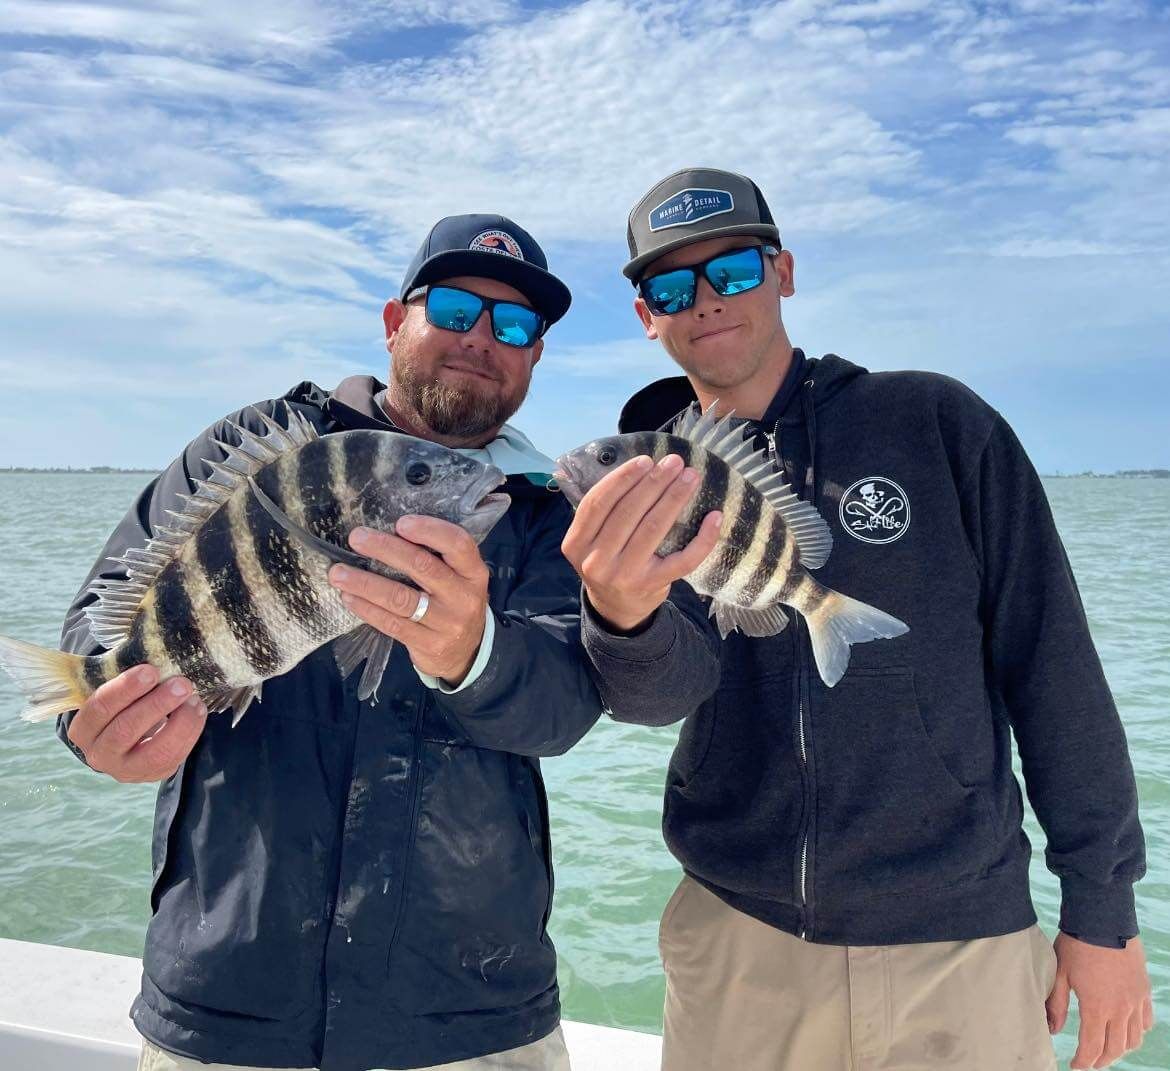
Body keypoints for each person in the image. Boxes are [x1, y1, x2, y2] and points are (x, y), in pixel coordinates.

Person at [563, 168, 1153, 1071]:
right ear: (648, 315)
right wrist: (620, 614)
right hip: (738, 942)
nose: (707, 301)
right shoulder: (655, 483)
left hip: (960, 942)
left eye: (733, 269)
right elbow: (659, 696)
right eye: (673, 286)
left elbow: (1053, 666)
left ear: (785, 271)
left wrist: (1101, 911)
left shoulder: (934, 422)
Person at [57, 214, 602, 1071]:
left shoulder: (539, 514)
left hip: (470, 1013)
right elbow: (105, 619)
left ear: (536, 356)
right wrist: (103, 727)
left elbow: (565, 706)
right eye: (457, 306)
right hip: (229, 999)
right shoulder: (249, 447)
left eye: (517, 323)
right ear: (396, 321)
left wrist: (474, 652)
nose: (483, 338)